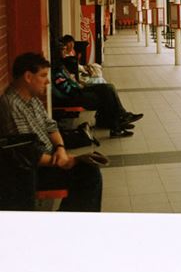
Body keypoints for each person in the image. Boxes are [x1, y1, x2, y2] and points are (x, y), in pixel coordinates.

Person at [0, 53, 103, 212]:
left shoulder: (31, 98)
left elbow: (51, 126)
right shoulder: (11, 105)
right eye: (42, 76)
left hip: (50, 156)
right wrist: (60, 161)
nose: (47, 81)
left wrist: (61, 149)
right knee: (88, 174)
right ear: (28, 76)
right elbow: (26, 151)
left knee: (88, 170)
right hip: (34, 171)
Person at [53, 36, 141, 137]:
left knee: (108, 87)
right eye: (62, 50)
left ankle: (121, 116)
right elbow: (67, 89)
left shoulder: (61, 64)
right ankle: (116, 126)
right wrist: (79, 86)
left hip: (77, 89)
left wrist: (78, 84)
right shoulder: (56, 69)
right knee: (105, 95)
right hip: (73, 95)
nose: (64, 52)